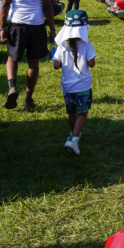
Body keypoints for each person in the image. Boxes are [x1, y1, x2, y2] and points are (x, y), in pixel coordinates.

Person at [0, 0, 56, 112]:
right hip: (37, 25)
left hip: (17, 24)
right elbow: (47, 7)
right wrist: (52, 30)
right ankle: (28, 99)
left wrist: (3, 27)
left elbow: (5, 3)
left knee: (12, 58)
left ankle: (12, 87)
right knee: (33, 63)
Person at [52, 10, 97, 156]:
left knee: (71, 112)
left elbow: (56, 66)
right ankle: (74, 139)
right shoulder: (87, 45)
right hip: (83, 86)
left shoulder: (61, 46)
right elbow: (92, 64)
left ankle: (73, 133)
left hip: (67, 87)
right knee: (82, 113)